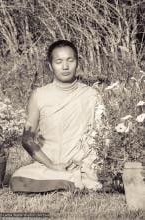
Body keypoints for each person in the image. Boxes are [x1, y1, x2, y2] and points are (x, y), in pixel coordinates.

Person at [10, 40, 108, 193]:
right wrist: (51, 165)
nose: (65, 66)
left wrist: (88, 161)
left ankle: (71, 181)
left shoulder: (91, 94)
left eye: (70, 60)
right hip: (49, 165)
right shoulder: (39, 95)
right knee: (18, 178)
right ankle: (71, 182)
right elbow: (27, 139)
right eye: (59, 61)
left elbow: (103, 135)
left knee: (99, 173)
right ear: (50, 66)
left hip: (83, 164)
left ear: (77, 62)